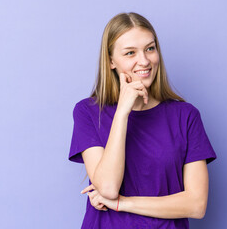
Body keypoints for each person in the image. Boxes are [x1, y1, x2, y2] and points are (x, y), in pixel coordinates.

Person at [68, 12, 217, 229]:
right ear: (111, 61)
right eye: (130, 53)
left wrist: (122, 203)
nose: (144, 60)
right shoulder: (88, 112)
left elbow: (196, 204)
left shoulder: (185, 116)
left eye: (150, 48)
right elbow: (108, 186)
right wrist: (122, 112)